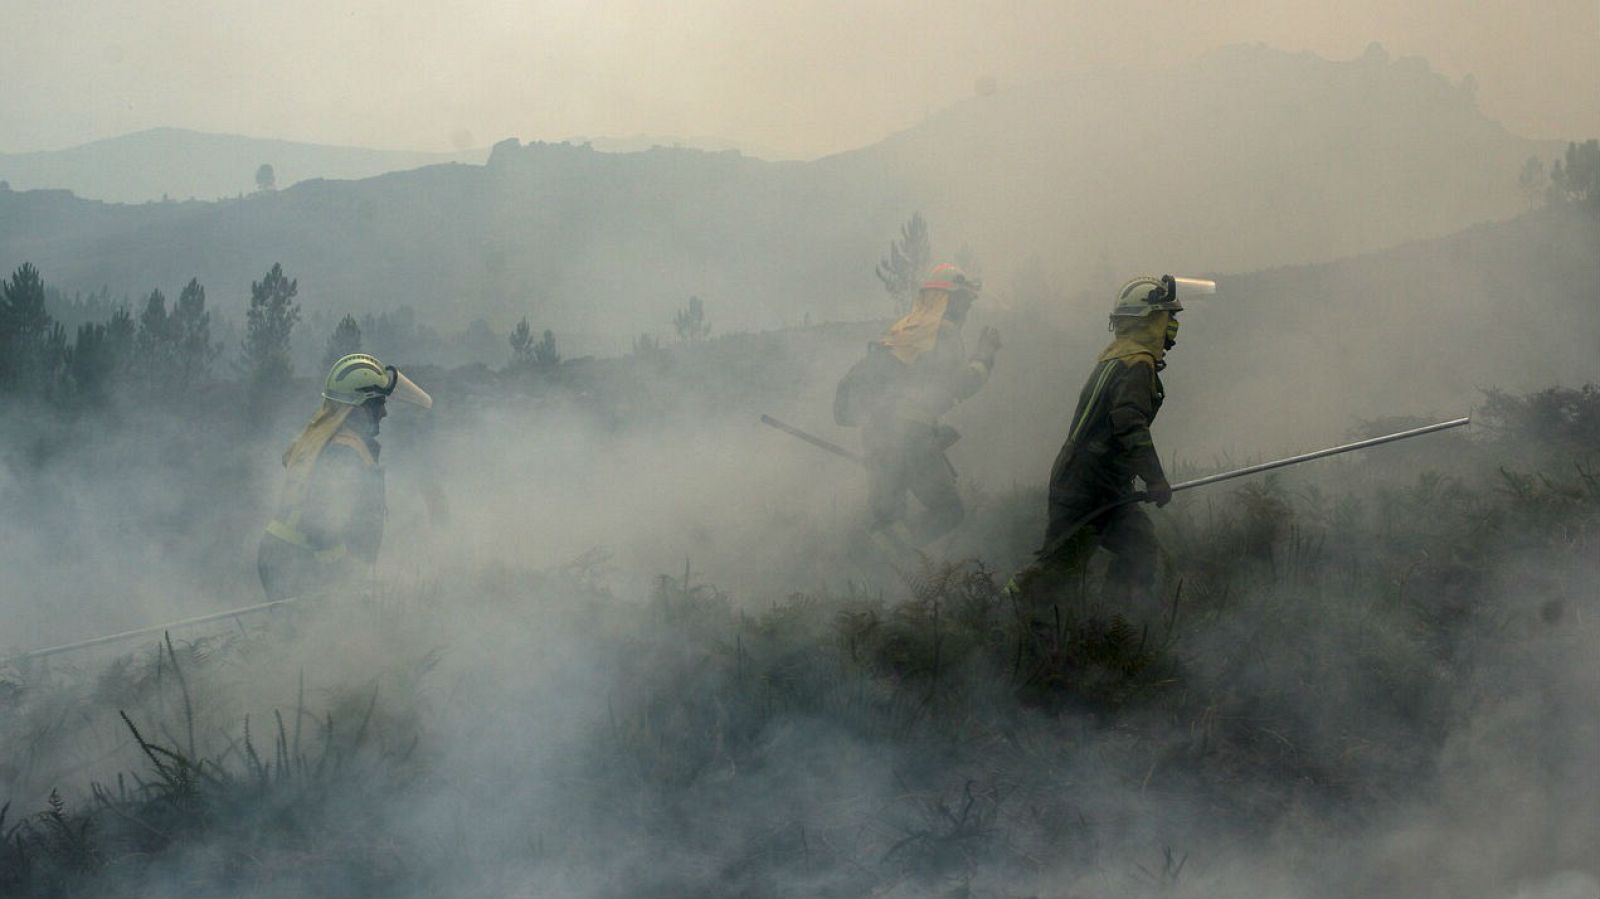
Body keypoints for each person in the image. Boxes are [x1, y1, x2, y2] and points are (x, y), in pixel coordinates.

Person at [1007, 275, 1184, 607]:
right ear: (1151, 319)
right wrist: (1155, 478)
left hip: (1099, 480)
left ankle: (1111, 626)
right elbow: (1129, 424)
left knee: (1139, 548)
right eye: (1168, 317)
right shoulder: (1137, 364)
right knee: (1058, 570)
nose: (1173, 326)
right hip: (1086, 485)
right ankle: (1002, 609)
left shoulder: (1117, 356)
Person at [836, 263, 1001, 553]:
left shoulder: (902, 330)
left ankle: (868, 576)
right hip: (910, 438)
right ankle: (891, 560)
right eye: (962, 301)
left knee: (887, 518)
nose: (966, 309)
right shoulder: (943, 332)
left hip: (877, 434)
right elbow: (958, 386)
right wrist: (984, 358)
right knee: (949, 510)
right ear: (947, 301)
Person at [258, 353, 432, 601]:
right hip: (297, 563)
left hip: (288, 557)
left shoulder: (333, 441)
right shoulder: (342, 452)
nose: (384, 412)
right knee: (315, 634)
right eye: (379, 403)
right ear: (359, 408)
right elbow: (320, 521)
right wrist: (342, 570)